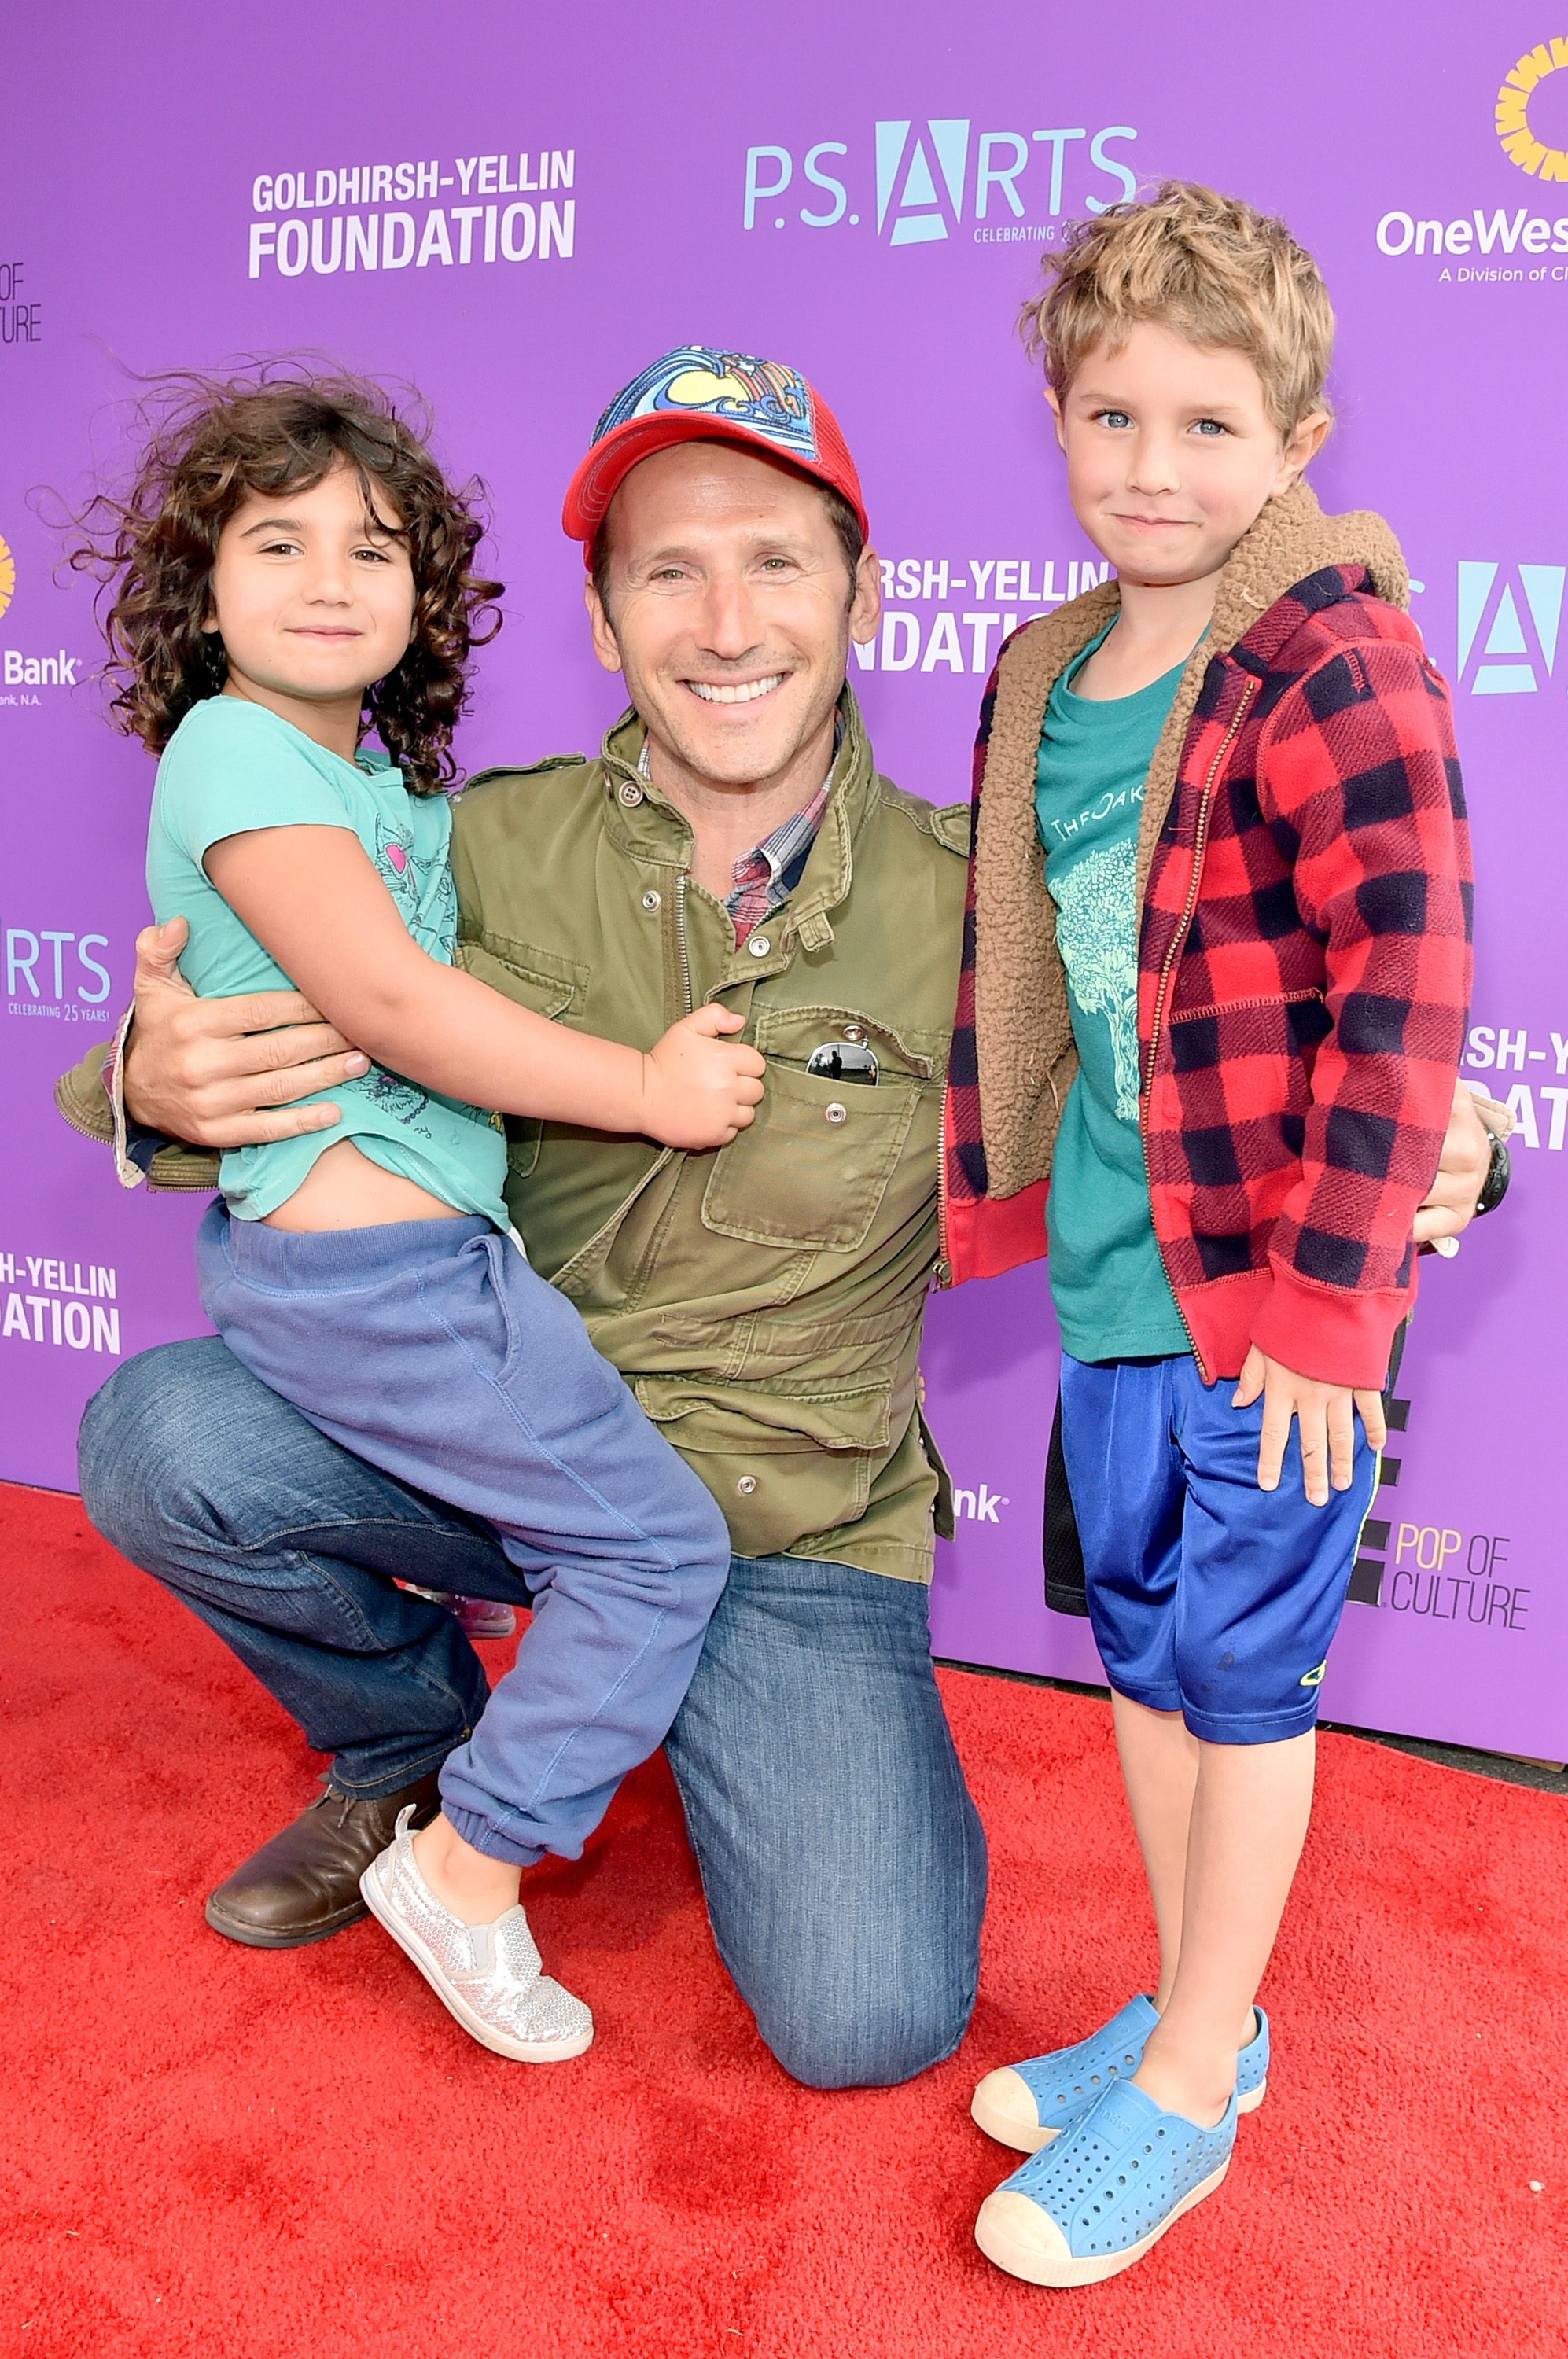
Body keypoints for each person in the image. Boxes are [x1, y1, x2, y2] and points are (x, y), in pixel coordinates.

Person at [57, 344, 1493, 2094]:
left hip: (784, 1521)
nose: (725, 621)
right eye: (669, 568)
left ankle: (625, 1715)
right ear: (600, 619)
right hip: (510, 1464)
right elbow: (273, 973)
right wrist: (141, 1083)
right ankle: (418, 1751)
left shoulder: (995, 899)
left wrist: (1454, 1141)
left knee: (867, 2019)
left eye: (777, 562)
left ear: (862, 594)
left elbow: (1232, 1002)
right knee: (157, 1432)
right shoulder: (467, 852)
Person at [79, 370, 770, 2059]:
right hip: (385, 1284)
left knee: (638, 1541)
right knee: (656, 1549)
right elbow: (389, 1004)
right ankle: (466, 1859)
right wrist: (645, 1092)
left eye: (375, 548)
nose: (330, 578)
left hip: (391, 1274)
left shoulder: (392, 789)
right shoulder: (236, 747)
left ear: (428, 592)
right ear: (203, 587)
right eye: (278, 540)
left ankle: (459, 1779)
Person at [946, 185, 1474, 2283]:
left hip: (1276, 1301)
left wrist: (1334, 1315)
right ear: (1058, 421)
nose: (1148, 470)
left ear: (1298, 434)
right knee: (1148, 1663)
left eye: (1204, 425)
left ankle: (1184, 2099)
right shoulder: (1052, 665)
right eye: (1107, 417)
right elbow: (1034, 980)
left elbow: (1407, 989)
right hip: (1107, 1275)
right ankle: (1202, 2016)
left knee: (1245, 1680)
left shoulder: (1330, 657)